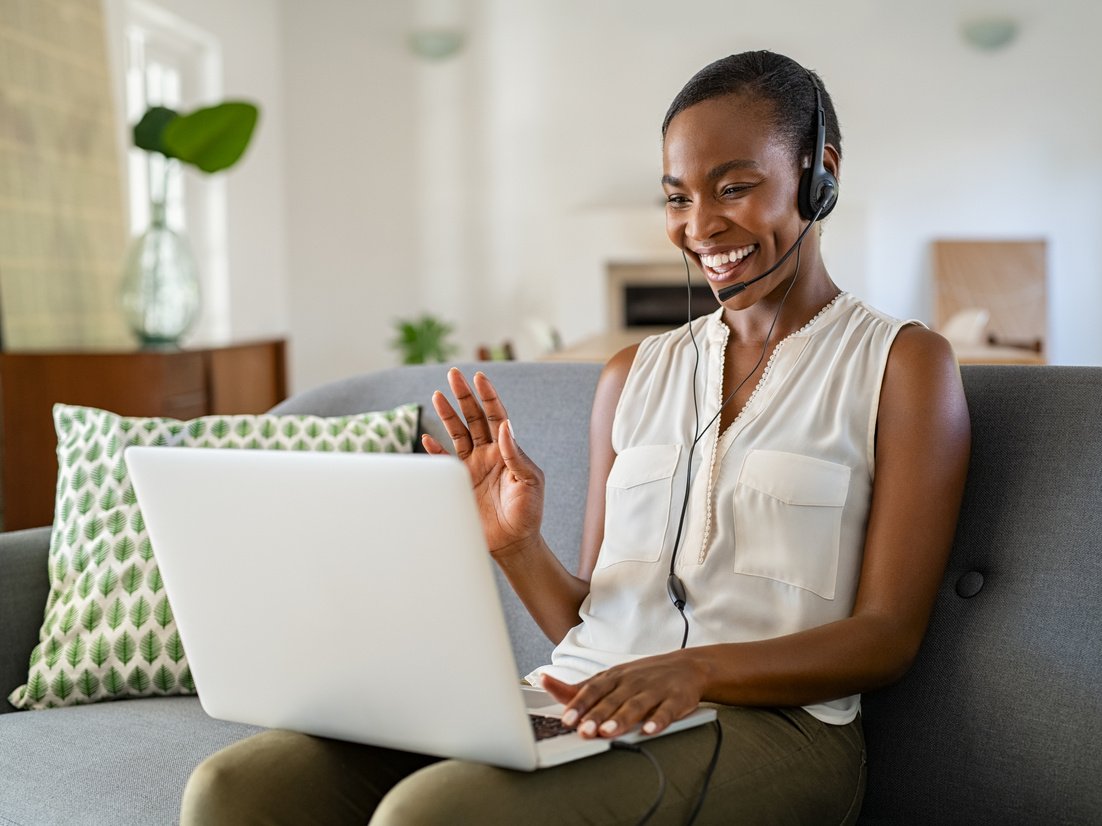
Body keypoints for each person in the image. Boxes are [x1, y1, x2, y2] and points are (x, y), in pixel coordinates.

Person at [181, 50, 970, 825]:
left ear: (818, 172)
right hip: (584, 695)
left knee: (438, 814)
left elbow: (885, 639)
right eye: (676, 199)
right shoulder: (630, 374)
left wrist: (695, 669)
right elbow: (593, 623)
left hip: (782, 732)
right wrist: (514, 545)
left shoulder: (901, 366)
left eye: (734, 187)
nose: (700, 227)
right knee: (239, 788)